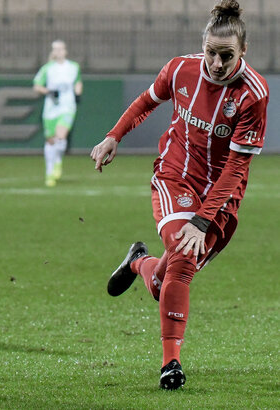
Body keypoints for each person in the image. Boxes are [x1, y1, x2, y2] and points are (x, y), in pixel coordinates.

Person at [90, 0, 267, 390]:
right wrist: (114, 136)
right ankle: (171, 364)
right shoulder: (180, 69)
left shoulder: (253, 94)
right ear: (201, 46)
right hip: (176, 179)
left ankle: (140, 263)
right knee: (184, 261)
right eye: (211, 53)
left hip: (221, 198)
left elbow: (237, 168)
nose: (217, 63)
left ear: (242, 52)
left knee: (166, 280)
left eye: (226, 55)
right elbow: (146, 101)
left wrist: (204, 219)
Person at [33, 40, 82, 187]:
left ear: (65, 51)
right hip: (51, 108)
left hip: (67, 106)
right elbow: (37, 86)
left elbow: (78, 82)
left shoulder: (73, 67)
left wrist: (78, 93)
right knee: (51, 141)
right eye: (55, 49)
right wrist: (48, 91)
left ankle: (58, 163)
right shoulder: (47, 68)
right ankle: (49, 172)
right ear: (52, 52)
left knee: (61, 137)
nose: (58, 51)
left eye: (61, 49)